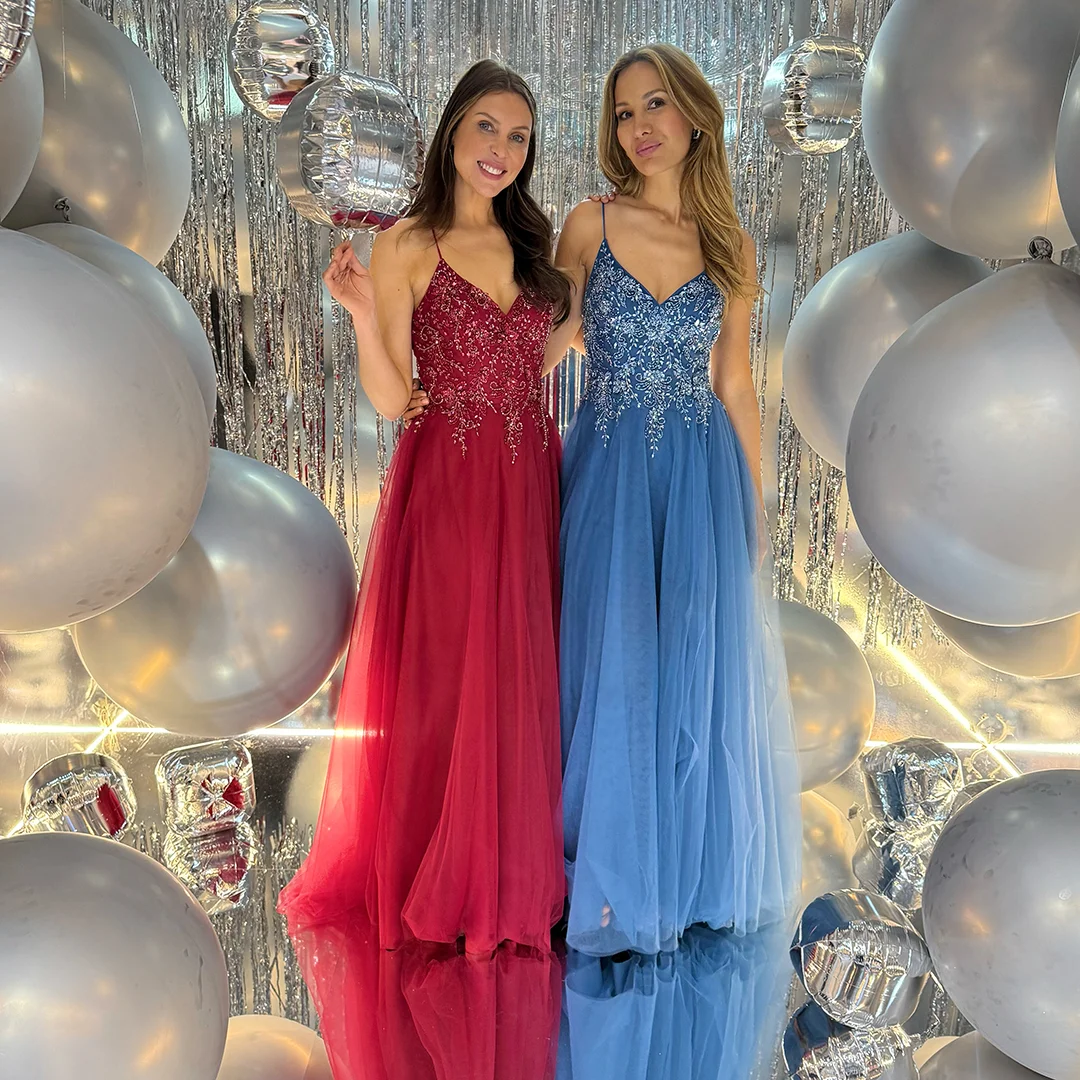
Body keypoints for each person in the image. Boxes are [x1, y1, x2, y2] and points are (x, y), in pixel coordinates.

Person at [278, 60, 583, 1024]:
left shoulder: (532, 244)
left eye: (519, 137)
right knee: (450, 672)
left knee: (517, 673)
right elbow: (391, 396)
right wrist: (363, 315)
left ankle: (503, 874)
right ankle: (436, 875)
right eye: (487, 127)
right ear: (452, 131)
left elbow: (537, 358)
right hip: (446, 476)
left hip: (527, 479)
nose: (501, 150)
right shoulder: (408, 241)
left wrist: (582, 326)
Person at [552, 44, 800, 957]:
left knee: (693, 671)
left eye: (655, 104)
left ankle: (681, 877)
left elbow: (734, 383)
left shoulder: (729, 246)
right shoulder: (588, 224)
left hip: (701, 475)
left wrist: (756, 503)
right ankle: (601, 879)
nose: (640, 126)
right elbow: (546, 341)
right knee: (609, 658)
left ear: (695, 116)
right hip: (608, 470)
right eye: (624, 112)